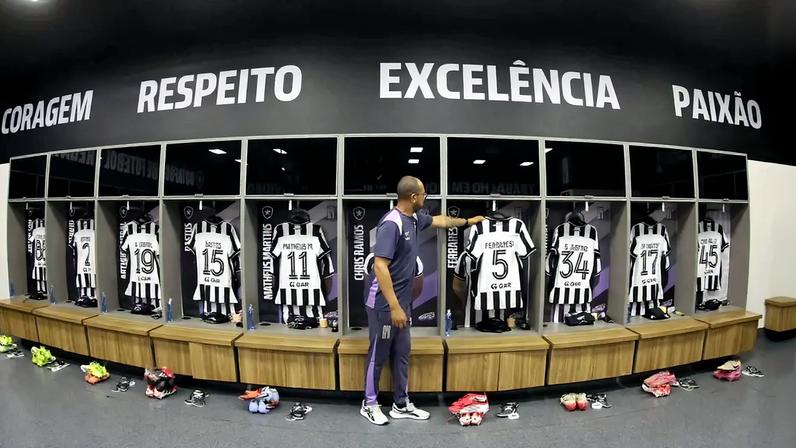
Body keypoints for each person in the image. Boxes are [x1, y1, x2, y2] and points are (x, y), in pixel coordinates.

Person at [360, 176, 485, 425]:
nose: (426, 197)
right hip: (384, 306)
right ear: (413, 197)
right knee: (378, 355)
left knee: (402, 354)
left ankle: (400, 403)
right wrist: (395, 307)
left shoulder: (414, 218)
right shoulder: (392, 224)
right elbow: (380, 266)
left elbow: (441, 220)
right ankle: (369, 403)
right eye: (424, 194)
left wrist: (468, 221)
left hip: (402, 305)